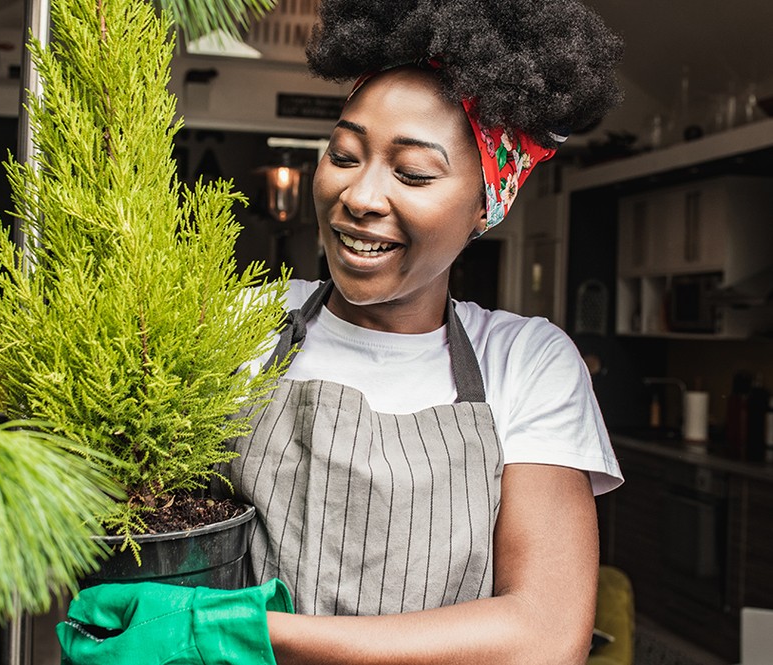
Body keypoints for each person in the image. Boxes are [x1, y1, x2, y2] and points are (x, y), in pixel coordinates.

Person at [59, 0, 625, 663]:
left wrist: (239, 632)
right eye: (345, 154)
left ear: (484, 205)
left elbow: (543, 636)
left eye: (412, 171)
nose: (359, 195)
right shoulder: (241, 323)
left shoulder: (527, 363)